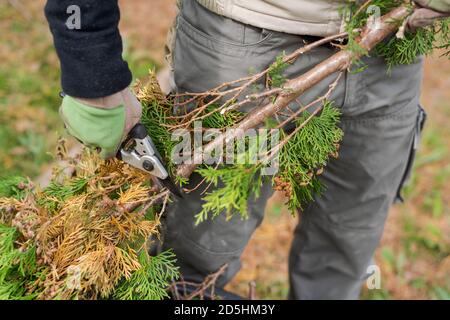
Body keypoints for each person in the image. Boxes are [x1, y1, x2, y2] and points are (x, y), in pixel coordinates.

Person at [45, 0, 450, 299]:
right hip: (238, 41)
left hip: (394, 41)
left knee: (349, 244)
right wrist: (89, 63)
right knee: (194, 258)